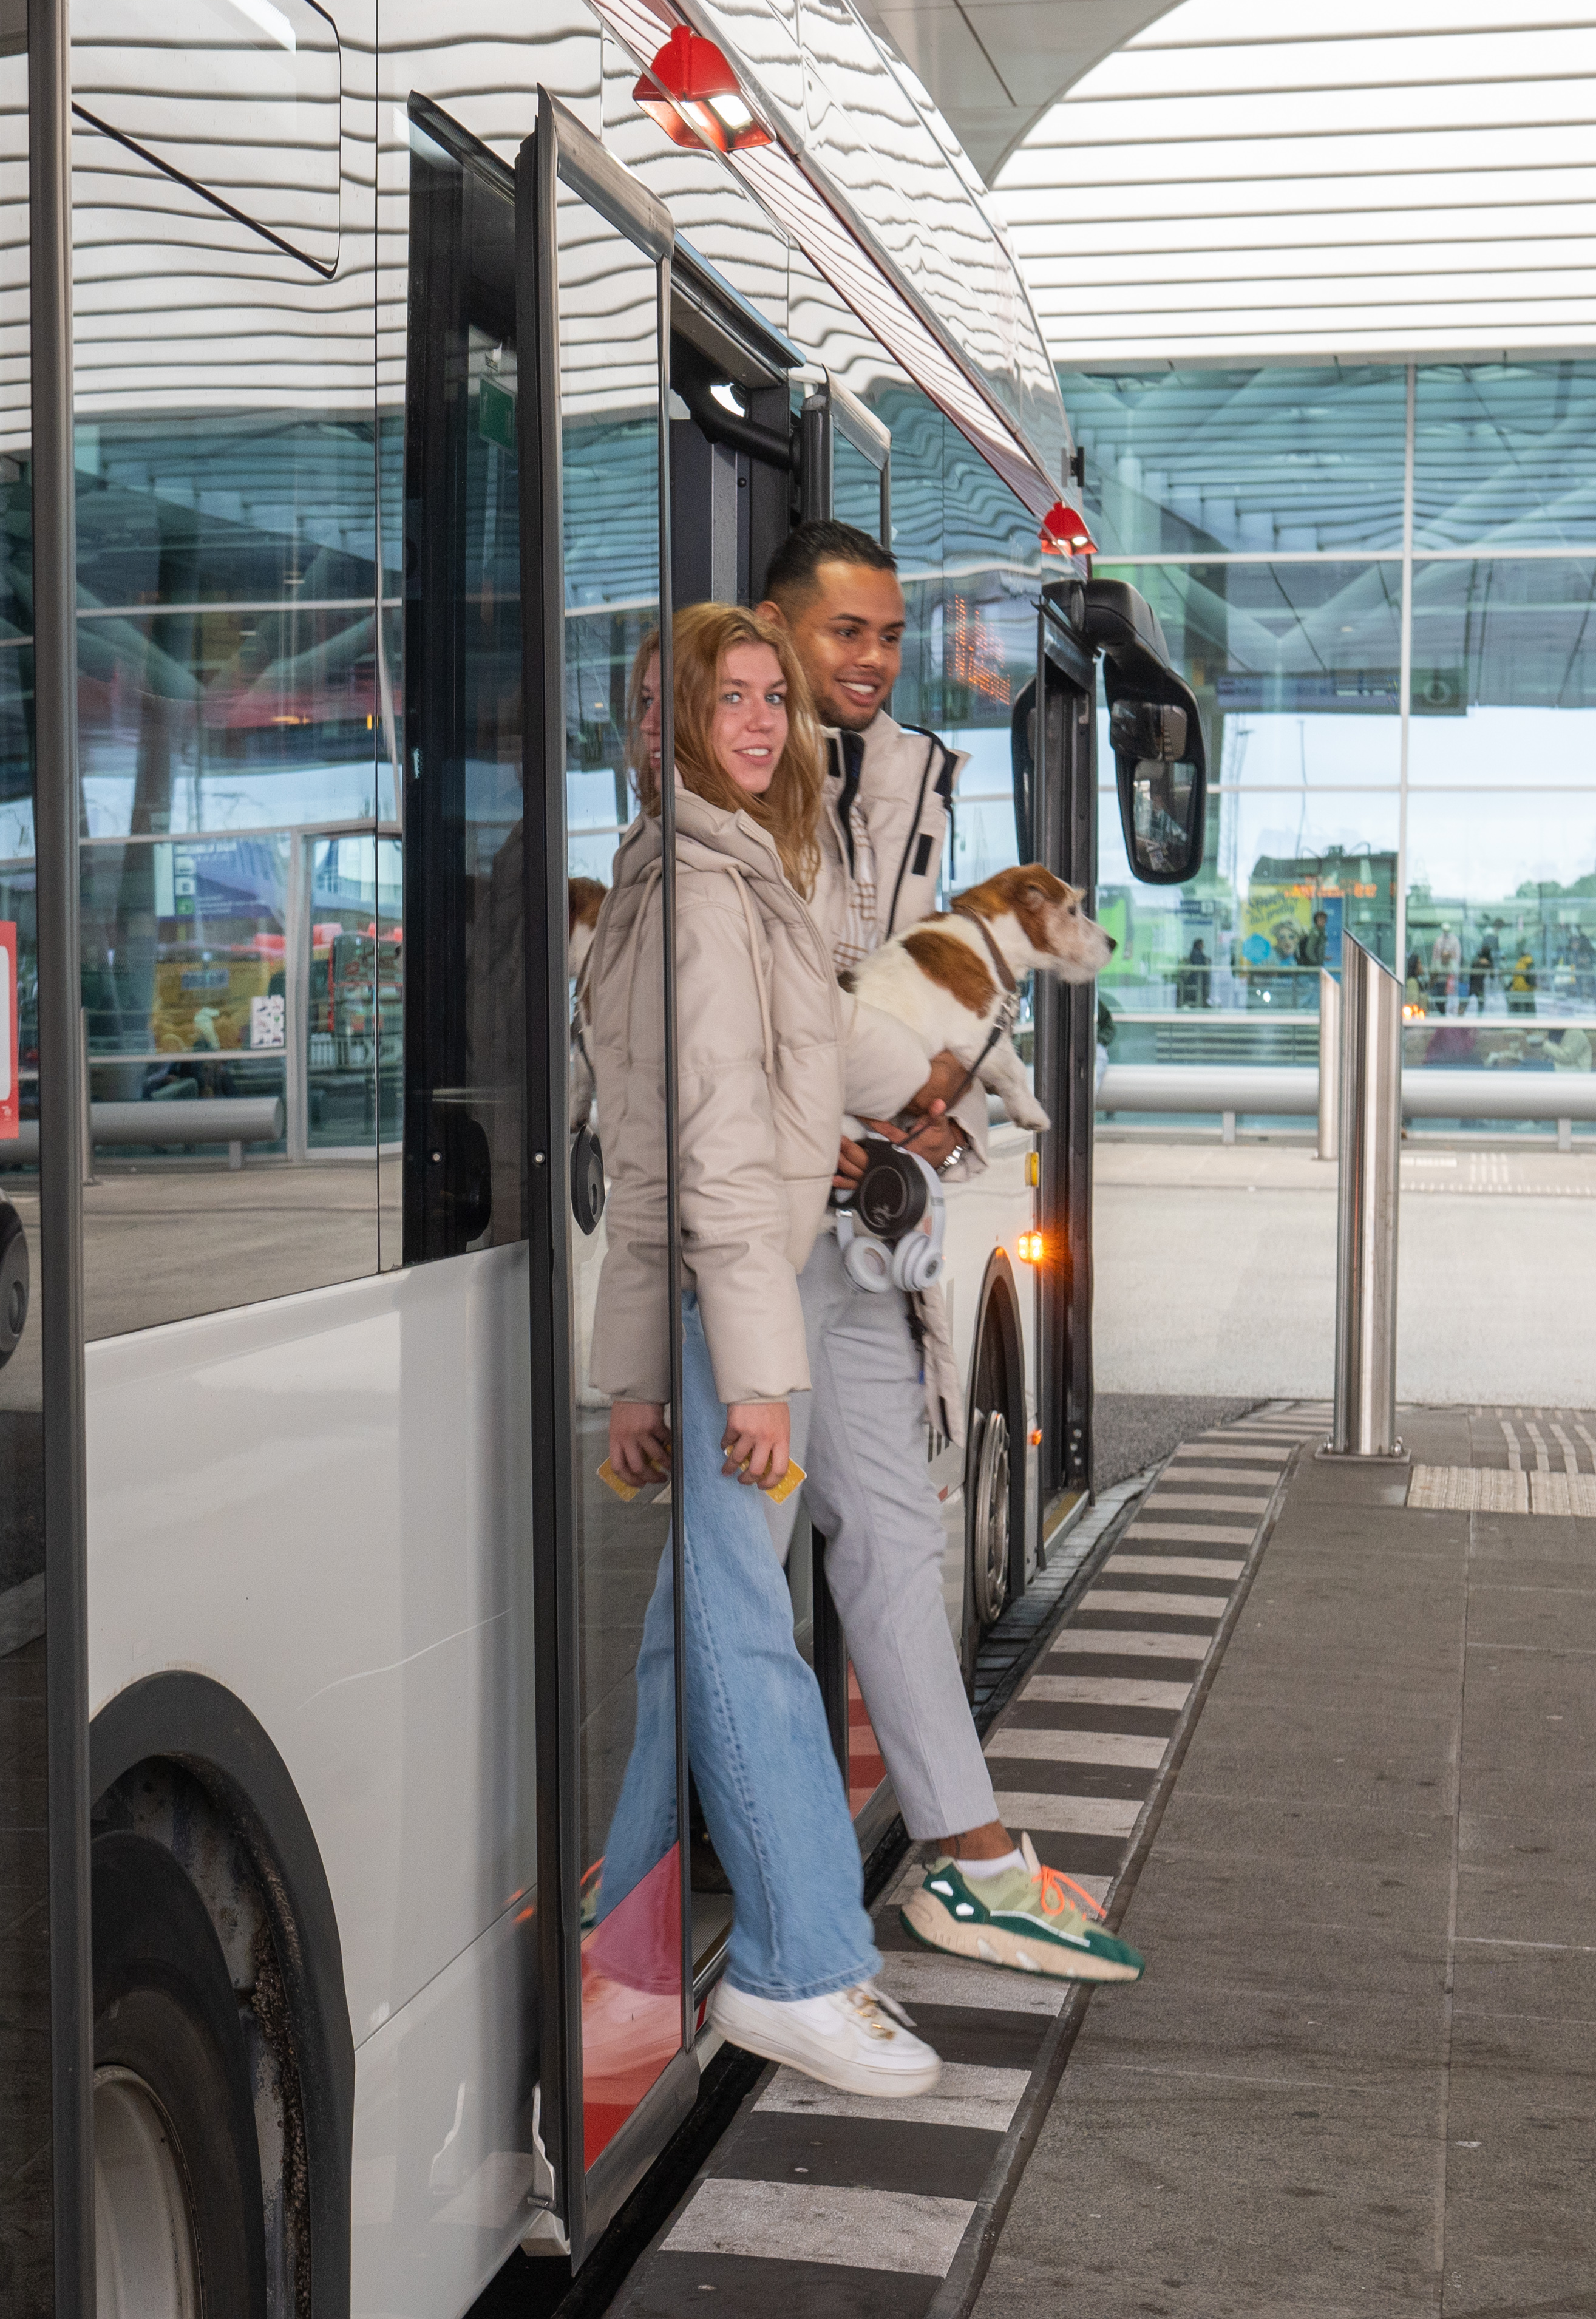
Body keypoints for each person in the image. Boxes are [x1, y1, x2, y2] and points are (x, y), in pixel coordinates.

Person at [756, 521, 1141, 1985]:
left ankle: (966, 1853)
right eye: (841, 630)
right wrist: (861, 1114)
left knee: (898, 1542)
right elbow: (760, 1009)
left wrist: (930, 1113)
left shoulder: (913, 775)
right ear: (776, 630)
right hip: (760, 1230)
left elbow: (903, 986)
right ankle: (764, 1926)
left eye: (887, 634)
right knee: (718, 1601)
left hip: (859, 1232)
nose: (868, 658)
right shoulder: (735, 783)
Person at [580, 600, 940, 2093]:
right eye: (721, 697)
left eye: (768, 698)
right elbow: (716, 1160)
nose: (757, 721)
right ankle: (801, 1963)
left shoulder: (732, 870)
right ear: (660, 718)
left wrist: (641, 1376)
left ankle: (624, 1958)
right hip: (748, 1300)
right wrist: (759, 1378)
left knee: (692, 1634)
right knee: (745, 1633)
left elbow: (677, 1143)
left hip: (717, 1305)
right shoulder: (708, 895)